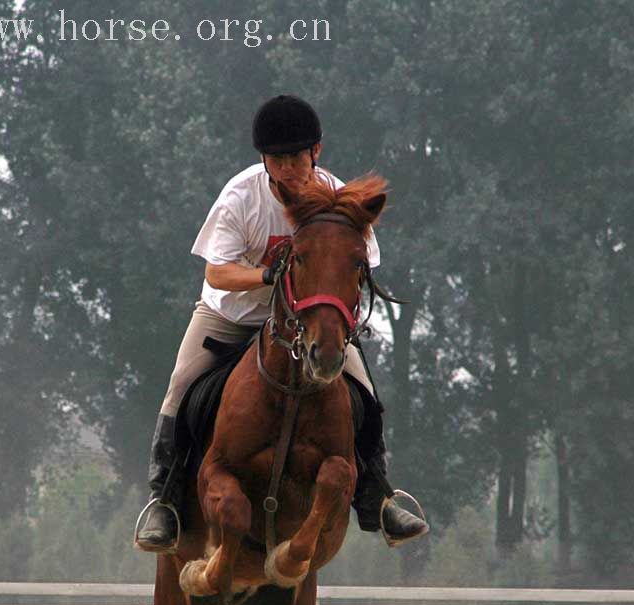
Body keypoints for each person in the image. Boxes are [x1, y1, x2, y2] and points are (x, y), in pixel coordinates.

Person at [134, 94, 429, 553]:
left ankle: (379, 496)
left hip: (302, 323)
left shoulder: (337, 200)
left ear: (317, 151)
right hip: (231, 315)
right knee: (181, 385)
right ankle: (164, 501)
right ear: (264, 160)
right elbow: (216, 273)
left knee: (364, 394)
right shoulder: (241, 197)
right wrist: (269, 275)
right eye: (278, 159)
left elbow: (359, 264)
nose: (290, 168)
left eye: (297, 156)